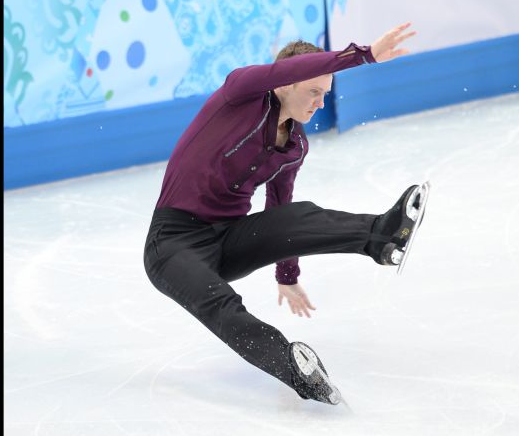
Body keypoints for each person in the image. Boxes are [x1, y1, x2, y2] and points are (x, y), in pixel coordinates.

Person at [143, 22, 422, 405]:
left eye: (325, 94)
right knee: (220, 303)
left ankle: (382, 235)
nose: (320, 103)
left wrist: (287, 275)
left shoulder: (295, 144)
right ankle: (294, 369)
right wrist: (365, 54)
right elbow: (281, 71)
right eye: (313, 90)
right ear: (287, 83)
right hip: (173, 244)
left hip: (228, 239)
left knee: (299, 212)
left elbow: (280, 207)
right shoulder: (240, 94)